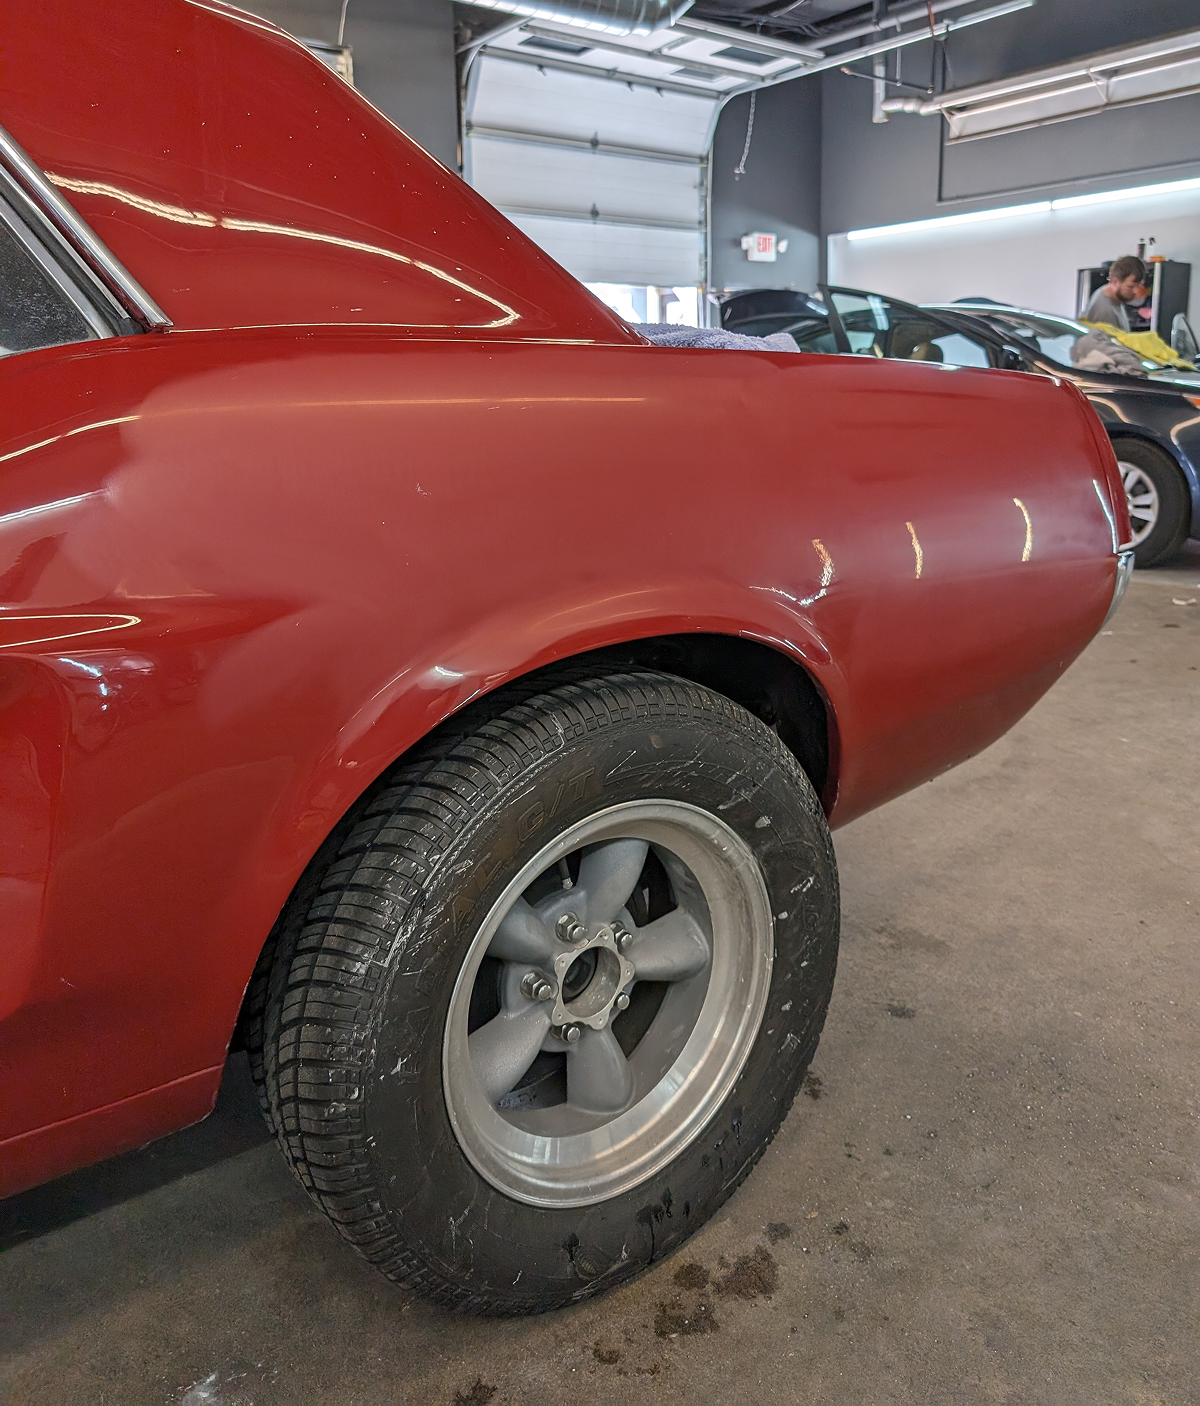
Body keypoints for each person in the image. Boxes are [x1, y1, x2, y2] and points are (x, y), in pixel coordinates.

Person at [1083, 255, 1147, 331]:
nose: (1136, 291)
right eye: (1131, 287)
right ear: (1115, 281)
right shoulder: (1104, 312)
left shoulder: (1115, 298)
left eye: (1138, 286)